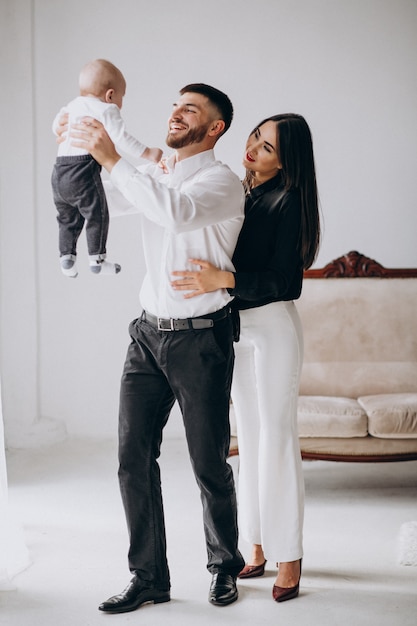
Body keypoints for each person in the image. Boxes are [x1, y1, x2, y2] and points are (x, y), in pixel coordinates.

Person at [67, 83, 246, 612]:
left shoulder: (223, 183)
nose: (175, 114)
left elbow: (176, 213)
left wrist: (115, 157)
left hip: (202, 339)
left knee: (207, 462)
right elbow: (98, 197)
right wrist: (76, 150)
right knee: (131, 459)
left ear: (214, 127)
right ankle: (148, 578)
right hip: (147, 335)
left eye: (190, 109)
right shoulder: (154, 174)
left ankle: (224, 567)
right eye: (175, 105)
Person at [171, 113, 321, 602]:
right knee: (250, 440)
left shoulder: (289, 200)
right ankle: (255, 546)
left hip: (274, 328)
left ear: (288, 162)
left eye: (269, 148)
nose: (254, 148)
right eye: (256, 137)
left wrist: (223, 280)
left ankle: (290, 556)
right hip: (237, 328)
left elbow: (287, 282)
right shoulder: (244, 190)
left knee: (277, 439)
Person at [51, 59, 162, 277]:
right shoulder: (106, 109)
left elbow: (57, 126)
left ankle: (67, 258)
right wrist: (149, 153)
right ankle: (97, 260)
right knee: (97, 213)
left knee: (67, 218)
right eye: (122, 97)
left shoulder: (71, 106)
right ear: (110, 95)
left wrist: (58, 130)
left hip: (58, 172)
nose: (120, 103)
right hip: (81, 171)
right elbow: (122, 139)